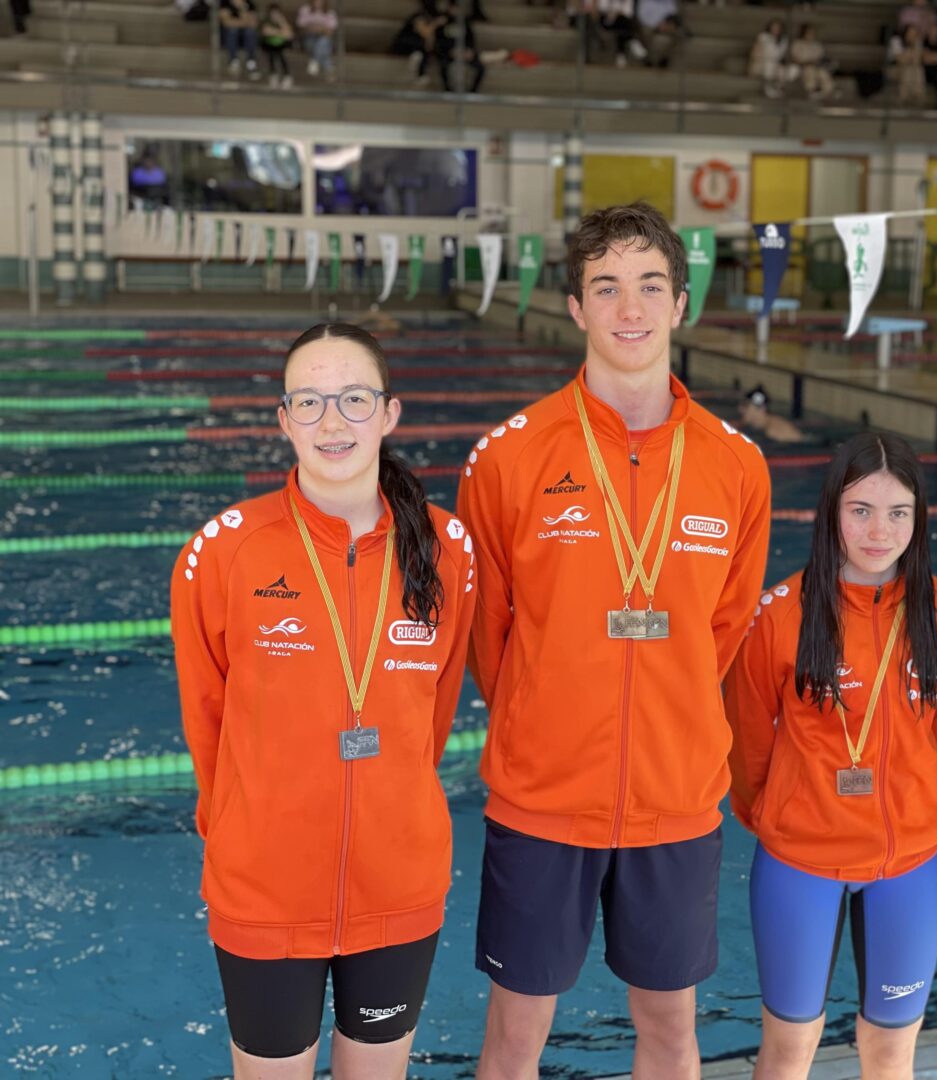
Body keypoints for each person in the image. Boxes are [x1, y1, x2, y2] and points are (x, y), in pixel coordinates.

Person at [454, 202, 772, 1080]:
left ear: (679, 305)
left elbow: (726, 629)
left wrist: (664, 716)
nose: (629, 308)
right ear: (576, 308)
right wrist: (549, 712)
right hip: (543, 797)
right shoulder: (507, 458)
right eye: (606, 287)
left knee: (671, 1032)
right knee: (515, 1036)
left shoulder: (735, 463)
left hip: (675, 798)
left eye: (648, 286)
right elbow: (491, 636)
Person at [170, 323, 478, 1079]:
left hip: (399, 883)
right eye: (308, 402)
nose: (331, 422)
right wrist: (245, 830)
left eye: (352, 399)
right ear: (282, 420)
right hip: (264, 889)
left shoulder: (446, 551)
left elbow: (430, 715)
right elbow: (205, 720)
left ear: (390, 413)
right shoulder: (225, 551)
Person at [725, 432, 937, 1079]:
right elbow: (748, 746)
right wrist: (791, 814)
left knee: (892, 1052)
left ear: (919, 519)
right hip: (800, 864)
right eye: (861, 509)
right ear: (831, 510)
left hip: (908, 868)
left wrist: (907, 794)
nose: (879, 530)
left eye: (898, 512)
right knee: (787, 1049)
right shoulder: (780, 615)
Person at [738, 385, 805, 444]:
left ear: (760, 409)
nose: (740, 409)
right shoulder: (761, 426)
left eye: (745, 406)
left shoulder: (773, 432)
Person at [790, 23, 835, 100]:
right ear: (803, 33)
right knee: (809, 71)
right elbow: (795, 59)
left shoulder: (817, 45)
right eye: (809, 33)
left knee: (823, 73)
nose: (811, 35)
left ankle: (827, 92)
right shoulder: (797, 44)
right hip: (803, 67)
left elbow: (821, 58)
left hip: (817, 67)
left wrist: (818, 63)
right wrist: (808, 62)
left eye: (812, 33)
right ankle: (811, 91)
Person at [750, 19, 793, 98]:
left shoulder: (784, 40)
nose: (775, 29)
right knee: (769, 67)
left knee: (791, 70)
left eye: (777, 27)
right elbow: (756, 52)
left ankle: (777, 86)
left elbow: (785, 55)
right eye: (774, 27)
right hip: (764, 61)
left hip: (777, 63)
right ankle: (768, 87)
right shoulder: (763, 37)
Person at [296, 0, 338, 79]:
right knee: (323, 47)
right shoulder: (305, 10)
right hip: (308, 39)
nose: (317, 3)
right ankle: (329, 68)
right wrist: (314, 28)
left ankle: (314, 61)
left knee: (323, 41)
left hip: (324, 39)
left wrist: (319, 28)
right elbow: (300, 28)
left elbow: (330, 32)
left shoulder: (330, 13)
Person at [219, 0, 261, 76]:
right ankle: (233, 59)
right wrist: (245, 22)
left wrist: (242, 8)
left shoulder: (249, 4)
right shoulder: (225, 3)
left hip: (245, 36)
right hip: (230, 36)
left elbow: (253, 24)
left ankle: (251, 60)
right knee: (233, 31)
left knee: (250, 32)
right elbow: (226, 23)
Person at [260, 4, 295, 89]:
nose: (275, 15)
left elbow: (290, 35)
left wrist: (281, 23)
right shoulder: (266, 21)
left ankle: (287, 76)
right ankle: (273, 75)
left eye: (277, 13)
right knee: (272, 55)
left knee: (282, 55)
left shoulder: (283, 22)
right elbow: (266, 32)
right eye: (273, 13)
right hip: (269, 45)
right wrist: (281, 32)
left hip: (281, 46)